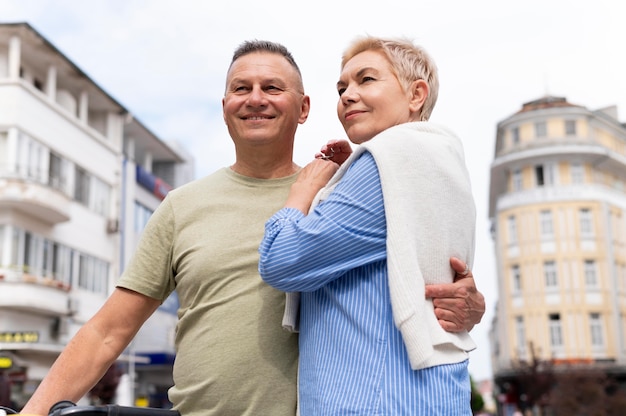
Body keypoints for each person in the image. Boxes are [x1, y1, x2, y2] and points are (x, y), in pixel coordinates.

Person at [20, 40, 484, 416]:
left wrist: (468, 302)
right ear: (225, 106)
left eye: (272, 87)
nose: (256, 98)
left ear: (303, 108)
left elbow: (414, 261)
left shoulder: (338, 196)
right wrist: (32, 413)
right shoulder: (181, 206)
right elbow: (108, 331)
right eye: (241, 88)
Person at [259, 36, 477, 415]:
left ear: (416, 95)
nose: (347, 95)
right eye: (342, 87)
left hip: (369, 399)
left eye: (367, 80)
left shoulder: (386, 162)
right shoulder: (441, 161)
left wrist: (304, 191)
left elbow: (281, 260)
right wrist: (346, 178)